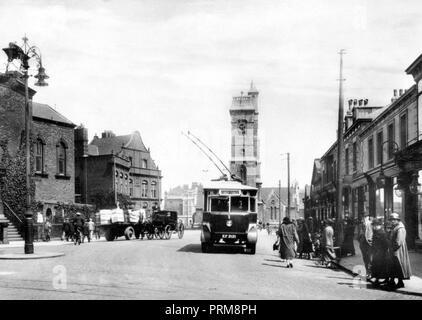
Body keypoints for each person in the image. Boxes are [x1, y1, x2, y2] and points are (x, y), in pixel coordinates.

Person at [387, 212, 412, 289]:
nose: (392, 221)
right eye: (391, 220)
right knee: (395, 267)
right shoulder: (395, 227)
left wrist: (393, 249)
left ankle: (399, 282)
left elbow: (398, 242)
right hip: (394, 250)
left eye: (393, 220)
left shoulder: (400, 228)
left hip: (398, 251)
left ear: (397, 220)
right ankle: (395, 282)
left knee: (399, 266)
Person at [371, 218, 391, 287]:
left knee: (381, 267)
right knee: (376, 266)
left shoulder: (382, 233)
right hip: (376, 253)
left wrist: (382, 251)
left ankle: (380, 279)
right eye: (373, 225)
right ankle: (378, 279)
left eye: (376, 225)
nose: (374, 227)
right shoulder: (376, 232)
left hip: (381, 253)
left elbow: (386, 244)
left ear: (379, 225)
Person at [358, 214, 373, 279]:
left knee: (369, 258)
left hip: (369, 244)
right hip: (363, 244)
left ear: (368, 218)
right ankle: (367, 272)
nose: (363, 219)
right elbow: (360, 234)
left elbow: (373, 234)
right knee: (365, 258)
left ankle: (370, 273)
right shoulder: (362, 225)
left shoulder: (371, 224)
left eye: (365, 217)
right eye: (363, 218)